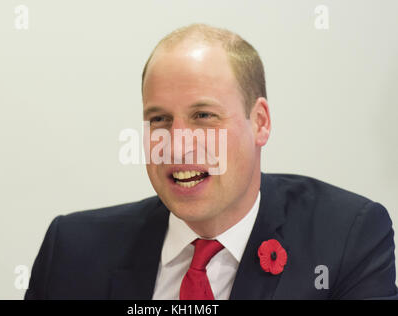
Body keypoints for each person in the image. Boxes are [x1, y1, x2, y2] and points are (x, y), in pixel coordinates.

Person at [24, 23, 397, 300]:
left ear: (260, 123)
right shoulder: (71, 251)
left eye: (203, 116)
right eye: (159, 119)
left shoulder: (347, 240)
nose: (178, 145)